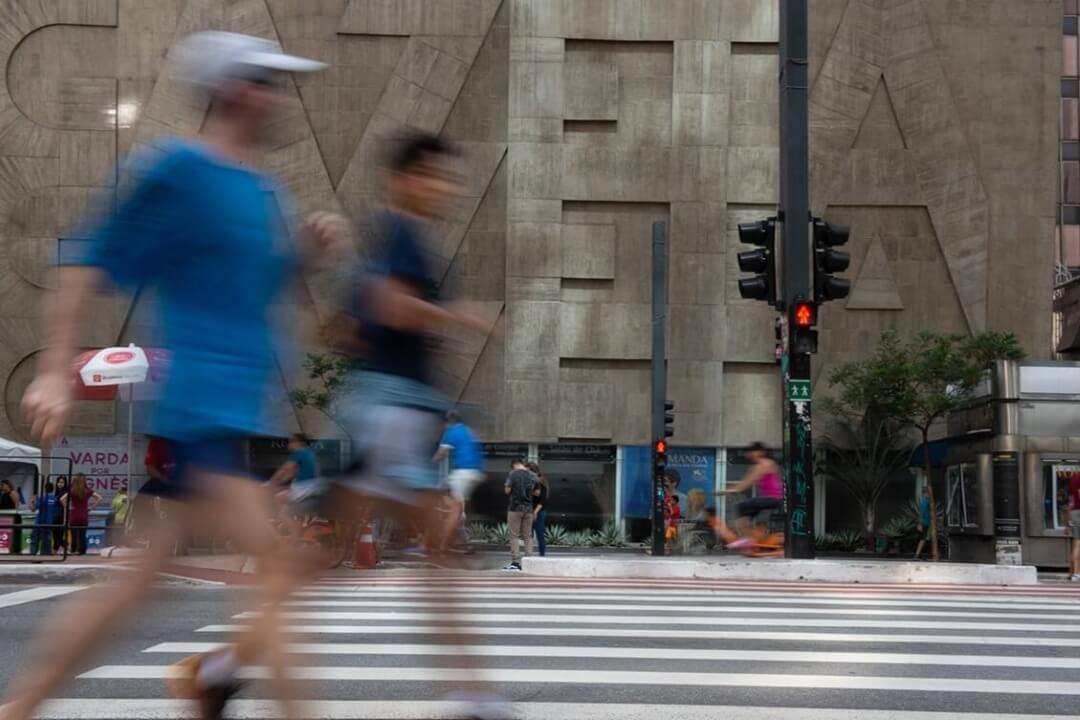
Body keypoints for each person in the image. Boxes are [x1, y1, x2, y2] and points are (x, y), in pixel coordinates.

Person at [1, 31, 336, 720]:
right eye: (269, 84)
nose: (280, 99)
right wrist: (57, 372)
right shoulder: (176, 169)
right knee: (277, 568)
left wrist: (302, 255)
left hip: (234, 418)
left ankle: (30, 705)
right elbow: (86, 260)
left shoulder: (260, 190)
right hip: (197, 414)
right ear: (235, 90)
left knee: (134, 586)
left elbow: (259, 287)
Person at [433, 410, 484, 552]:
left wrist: (429, 464)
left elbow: (440, 454)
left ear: (448, 422)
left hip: (463, 472)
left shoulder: (451, 432)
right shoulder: (469, 431)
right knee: (462, 509)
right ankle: (463, 540)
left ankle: (442, 546)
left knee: (453, 511)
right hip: (476, 472)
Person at [718, 442, 782, 550]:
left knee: (741, 507)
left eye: (752, 452)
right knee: (749, 515)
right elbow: (744, 483)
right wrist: (730, 489)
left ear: (760, 452)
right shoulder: (762, 465)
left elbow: (746, 483)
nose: (749, 455)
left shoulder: (764, 464)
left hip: (772, 499)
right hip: (769, 499)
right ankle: (755, 539)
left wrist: (727, 490)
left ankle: (747, 539)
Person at [504, 459, 537, 571]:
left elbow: (507, 491)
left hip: (515, 508)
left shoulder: (512, 474)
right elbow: (537, 492)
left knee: (514, 535)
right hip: (529, 509)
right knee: (528, 536)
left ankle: (516, 562)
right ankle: (529, 561)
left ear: (514, 465)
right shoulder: (533, 475)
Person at [60, 475, 101, 555]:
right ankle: (82, 551)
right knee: (82, 534)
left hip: (74, 514)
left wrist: (67, 507)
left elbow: (62, 499)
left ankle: (73, 549)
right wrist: (91, 508)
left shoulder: (72, 491)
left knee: (73, 534)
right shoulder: (88, 491)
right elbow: (100, 498)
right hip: (84, 514)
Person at [30, 482, 60, 555]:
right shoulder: (55, 499)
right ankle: (45, 554)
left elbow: (33, 509)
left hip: (39, 522)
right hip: (49, 523)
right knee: (47, 540)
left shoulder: (42, 498)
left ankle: (33, 553)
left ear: (45, 489)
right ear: (53, 489)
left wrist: (32, 501)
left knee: (35, 538)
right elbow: (57, 512)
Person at [529, 463, 548, 557]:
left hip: (539, 512)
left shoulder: (542, 485)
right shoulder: (529, 485)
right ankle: (528, 555)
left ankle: (542, 555)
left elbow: (542, 501)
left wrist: (535, 512)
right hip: (529, 512)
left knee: (540, 534)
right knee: (528, 534)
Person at [914, 484, 933, 560]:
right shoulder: (924, 501)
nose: (930, 495)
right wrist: (920, 524)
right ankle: (917, 555)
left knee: (926, 538)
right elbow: (921, 513)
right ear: (926, 493)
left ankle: (921, 555)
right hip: (925, 522)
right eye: (929, 493)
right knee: (923, 539)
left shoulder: (924, 500)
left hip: (926, 522)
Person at [1068, 471, 1080, 582]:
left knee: (1076, 542)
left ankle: (1072, 572)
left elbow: (1071, 500)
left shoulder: (1074, 477)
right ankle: (1076, 574)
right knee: (1078, 543)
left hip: (1074, 512)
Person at [51, 477, 68, 552]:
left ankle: (55, 550)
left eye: (62, 482)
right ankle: (66, 546)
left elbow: (65, 504)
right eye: (59, 482)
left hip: (61, 516)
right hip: (55, 516)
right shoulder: (57, 493)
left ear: (65, 484)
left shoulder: (65, 492)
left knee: (58, 534)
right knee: (55, 534)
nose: (60, 484)